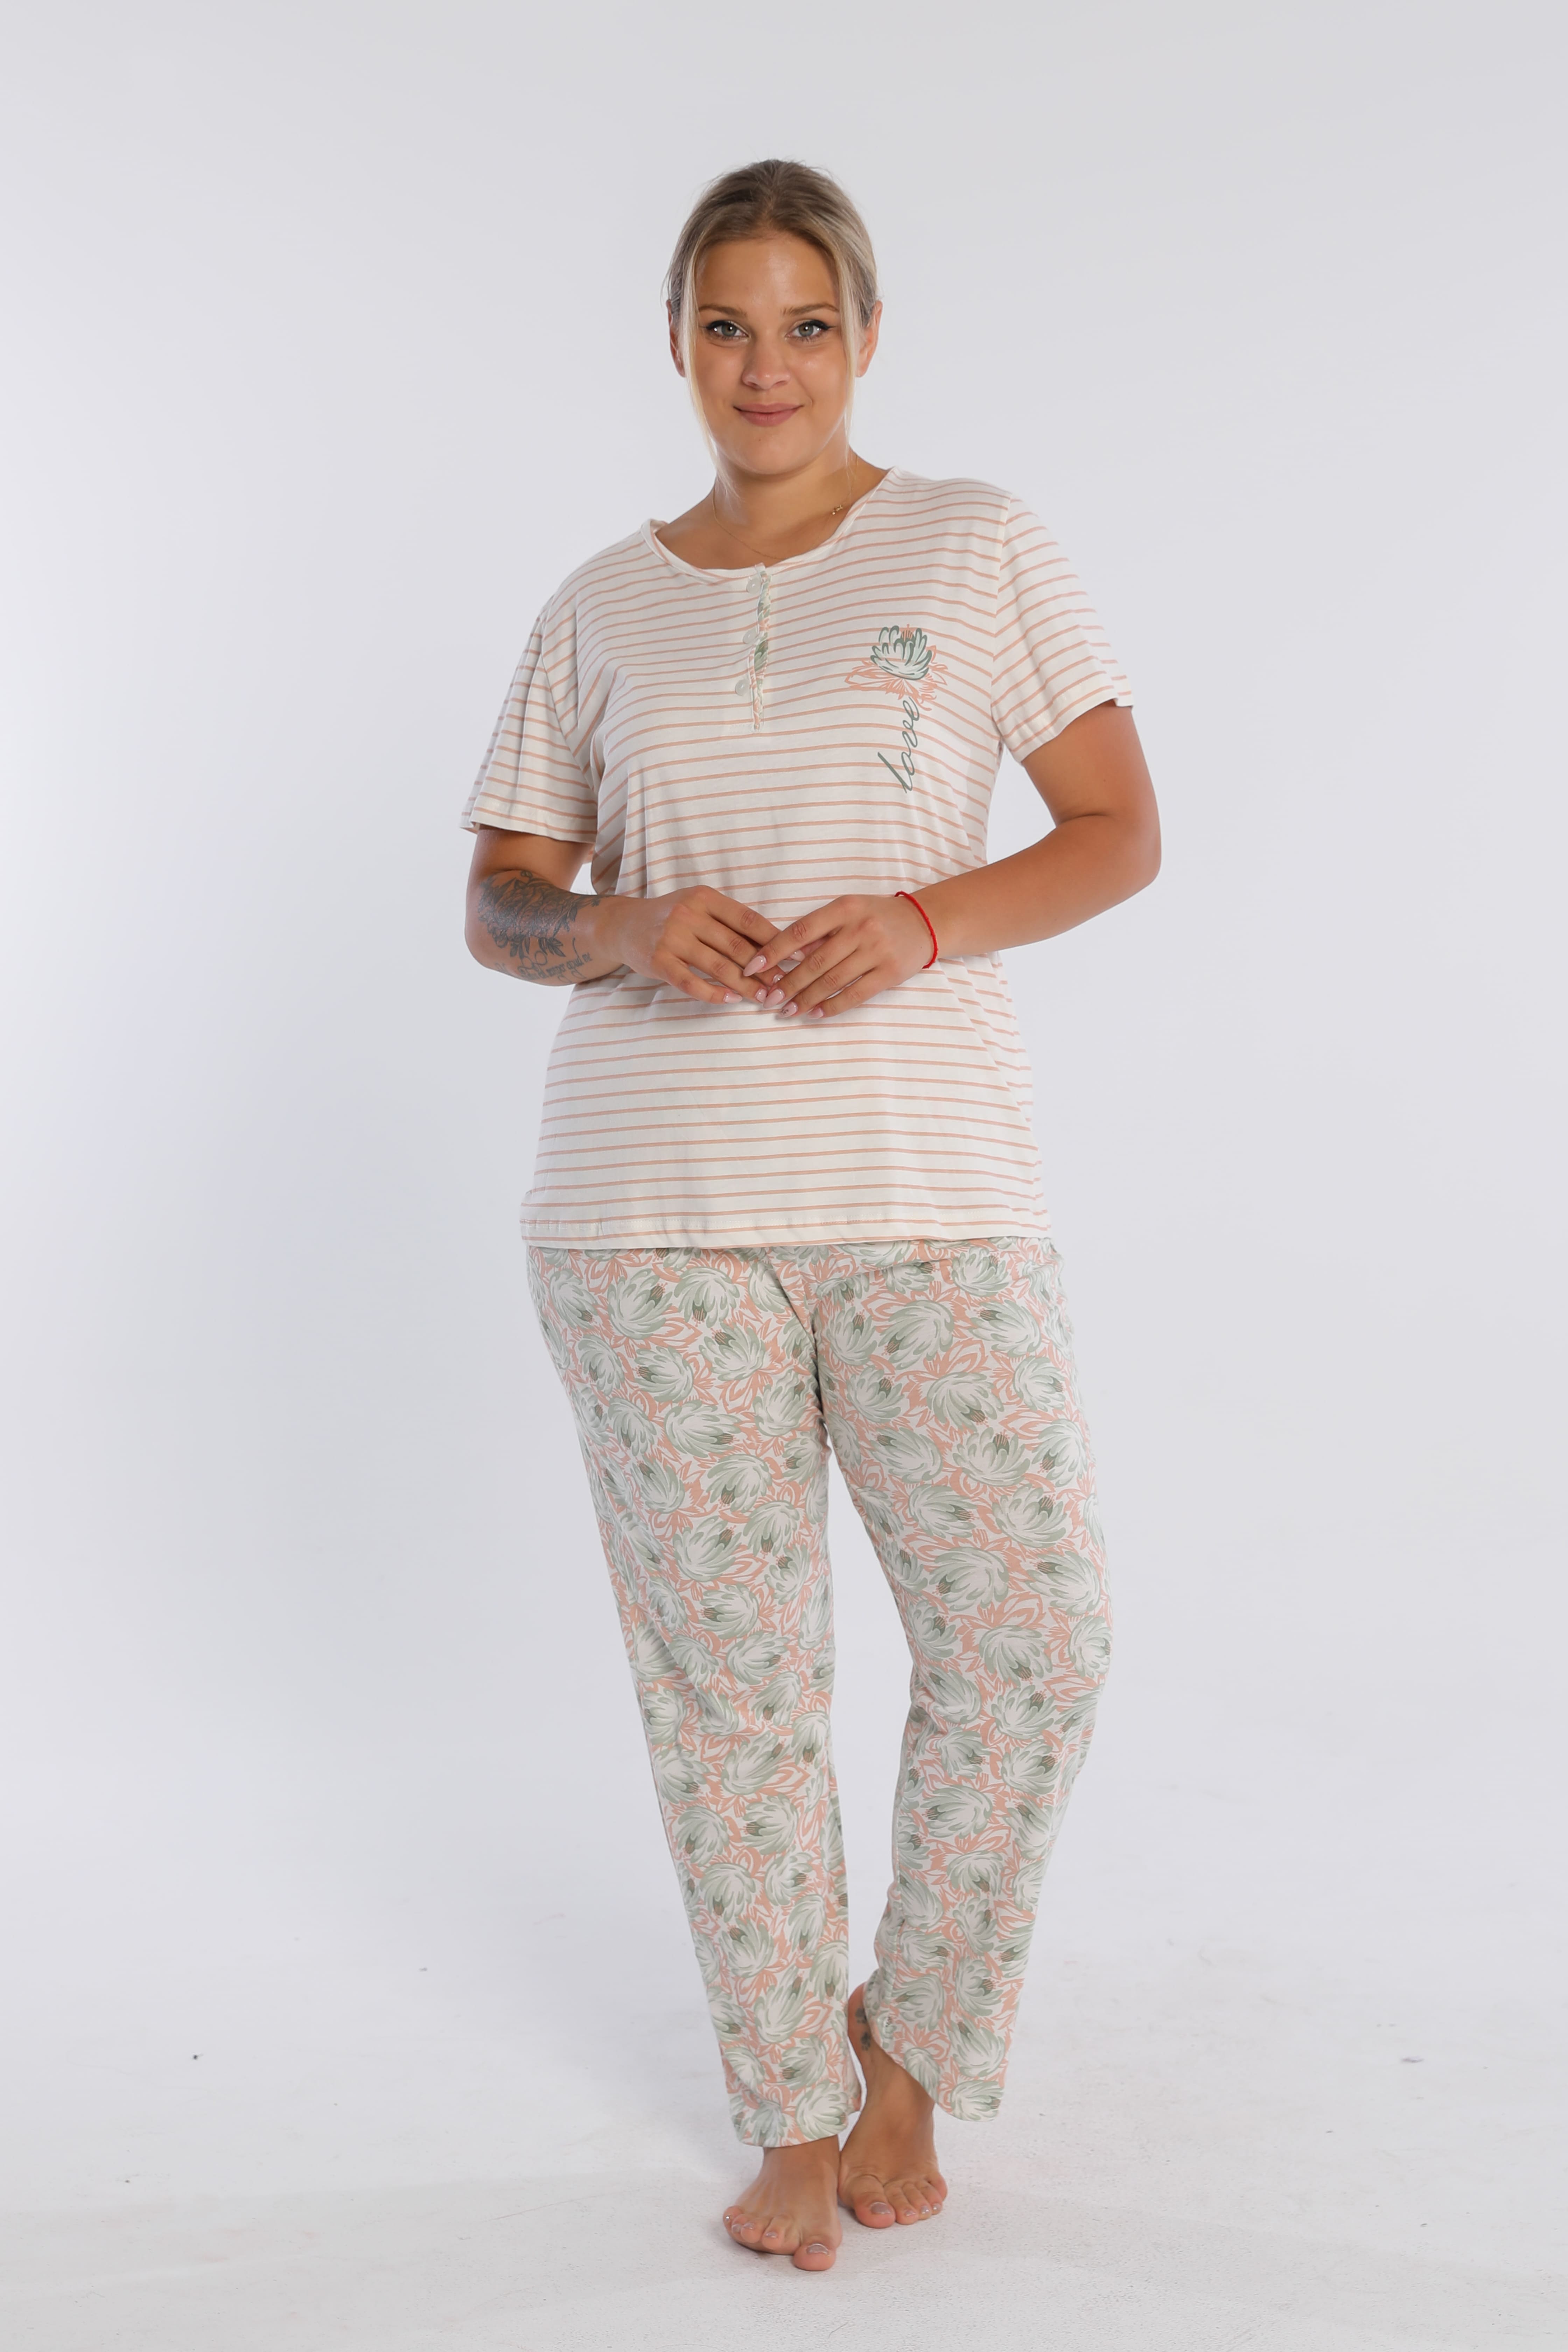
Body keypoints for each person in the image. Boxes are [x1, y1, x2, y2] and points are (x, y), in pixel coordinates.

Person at [461, 157, 1159, 2272]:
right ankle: (786, 2100)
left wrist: (927, 921)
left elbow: (1118, 829)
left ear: (864, 339)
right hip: (646, 1217)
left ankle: (905, 2044)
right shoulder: (599, 605)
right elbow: (499, 905)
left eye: (805, 325)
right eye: (726, 324)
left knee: (1034, 1638)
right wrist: (619, 926)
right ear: (676, 342)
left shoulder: (977, 543)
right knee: (734, 1687)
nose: (764, 366)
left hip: (931, 1190)